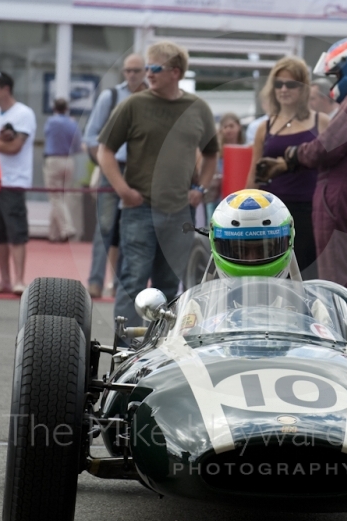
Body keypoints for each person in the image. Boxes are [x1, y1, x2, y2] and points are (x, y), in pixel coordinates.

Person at [255, 37, 347, 296]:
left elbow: (325, 148)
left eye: (337, 72)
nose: (335, 80)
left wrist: (289, 157)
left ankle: (340, 335)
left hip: (342, 200)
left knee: (337, 286)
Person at [98, 41, 218, 327]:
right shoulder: (133, 104)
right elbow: (105, 150)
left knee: (169, 282)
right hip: (139, 210)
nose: (147, 74)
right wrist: (123, 190)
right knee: (133, 280)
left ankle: (159, 345)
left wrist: (200, 189)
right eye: (147, 68)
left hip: (180, 213)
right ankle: (125, 346)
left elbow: (212, 154)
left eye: (154, 68)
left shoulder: (198, 108)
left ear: (175, 72)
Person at [246, 57, 329, 279]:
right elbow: (254, 174)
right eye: (278, 84)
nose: (284, 89)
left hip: (311, 211)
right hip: (273, 213)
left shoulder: (322, 122)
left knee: (307, 275)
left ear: (303, 89)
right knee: (273, 273)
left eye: (291, 84)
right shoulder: (265, 127)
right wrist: (243, 209)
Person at [84, 54, 147, 298]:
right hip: (113, 166)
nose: (131, 74)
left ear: (145, 72)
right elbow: (90, 136)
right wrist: (103, 164)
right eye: (127, 70)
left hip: (141, 170)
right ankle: (95, 282)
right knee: (105, 228)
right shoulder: (110, 97)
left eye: (136, 70)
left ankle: (122, 285)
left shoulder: (152, 98)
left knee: (132, 229)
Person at [0, 71, 36, 294]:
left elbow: (14, 148)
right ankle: (4, 279)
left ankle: (19, 279)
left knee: (16, 232)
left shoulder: (23, 114)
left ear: (6, 89)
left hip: (13, 181)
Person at [43, 98, 82, 242]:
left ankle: (67, 229)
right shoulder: (73, 123)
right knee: (61, 197)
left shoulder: (51, 122)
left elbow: (47, 135)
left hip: (53, 159)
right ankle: (53, 234)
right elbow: (78, 145)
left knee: (55, 197)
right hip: (69, 160)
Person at [206, 112, 244, 220]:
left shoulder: (245, 150)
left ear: (238, 127)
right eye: (225, 127)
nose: (228, 130)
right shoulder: (216, 152)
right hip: (217, 197)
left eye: (231, 126)